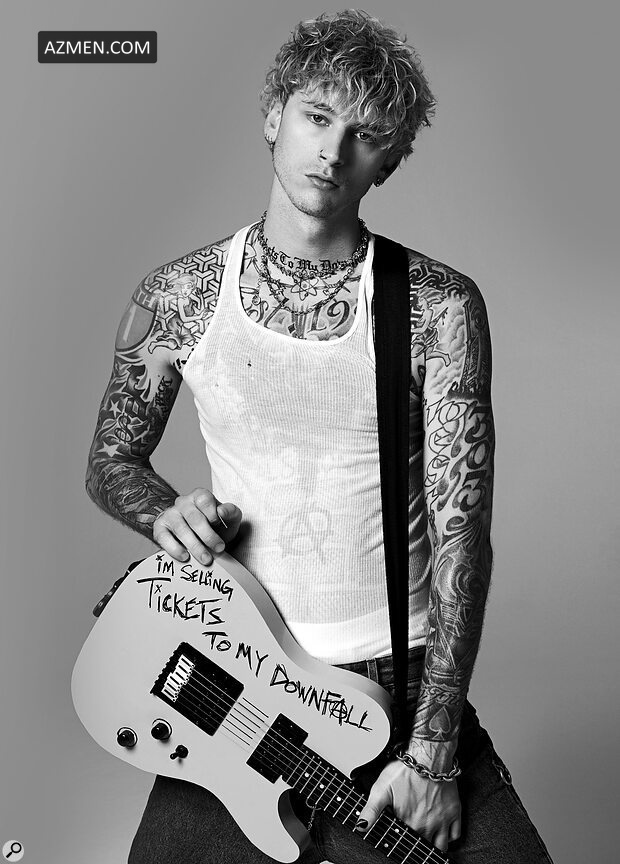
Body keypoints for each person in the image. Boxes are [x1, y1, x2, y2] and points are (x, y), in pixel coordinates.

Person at [86, 10, 553, 863]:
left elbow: (461, 535)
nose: (332, 152)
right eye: (316, 115)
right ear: (273, 116)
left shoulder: (437, 308)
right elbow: (113, 457)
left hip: (398, 696)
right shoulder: (181, 295)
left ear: (389, 161)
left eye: (364, 135)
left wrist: (433, 752)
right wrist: (163, 511)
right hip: (233, 690)